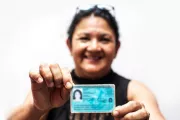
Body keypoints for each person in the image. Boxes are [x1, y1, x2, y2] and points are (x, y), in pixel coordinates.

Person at [7, 4, 165, 120]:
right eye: (84, 38)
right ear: (69, 45)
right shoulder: (51, 85)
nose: (94, 47)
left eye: (104, 39)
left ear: (116, 48)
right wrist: (36, 108)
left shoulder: (134, 90)